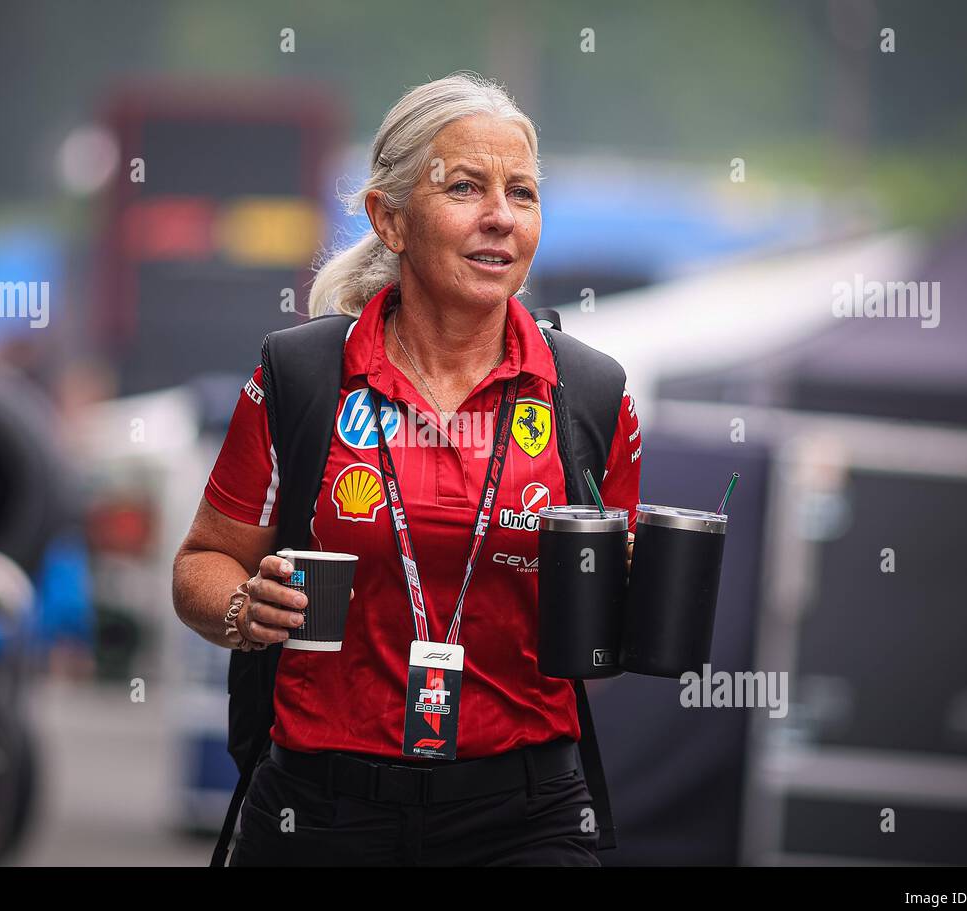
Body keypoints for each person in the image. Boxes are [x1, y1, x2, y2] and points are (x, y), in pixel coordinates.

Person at [172, 71, 642, 866]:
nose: (500, 217)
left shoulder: (592, 394)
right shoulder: (301, 374)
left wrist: (631, 594)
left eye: (522, 193)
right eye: (465, 187)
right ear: (389, 218)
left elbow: (607, 650)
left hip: (526, 816)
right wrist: (243, 611)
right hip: (322, 813)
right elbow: (202, 563)